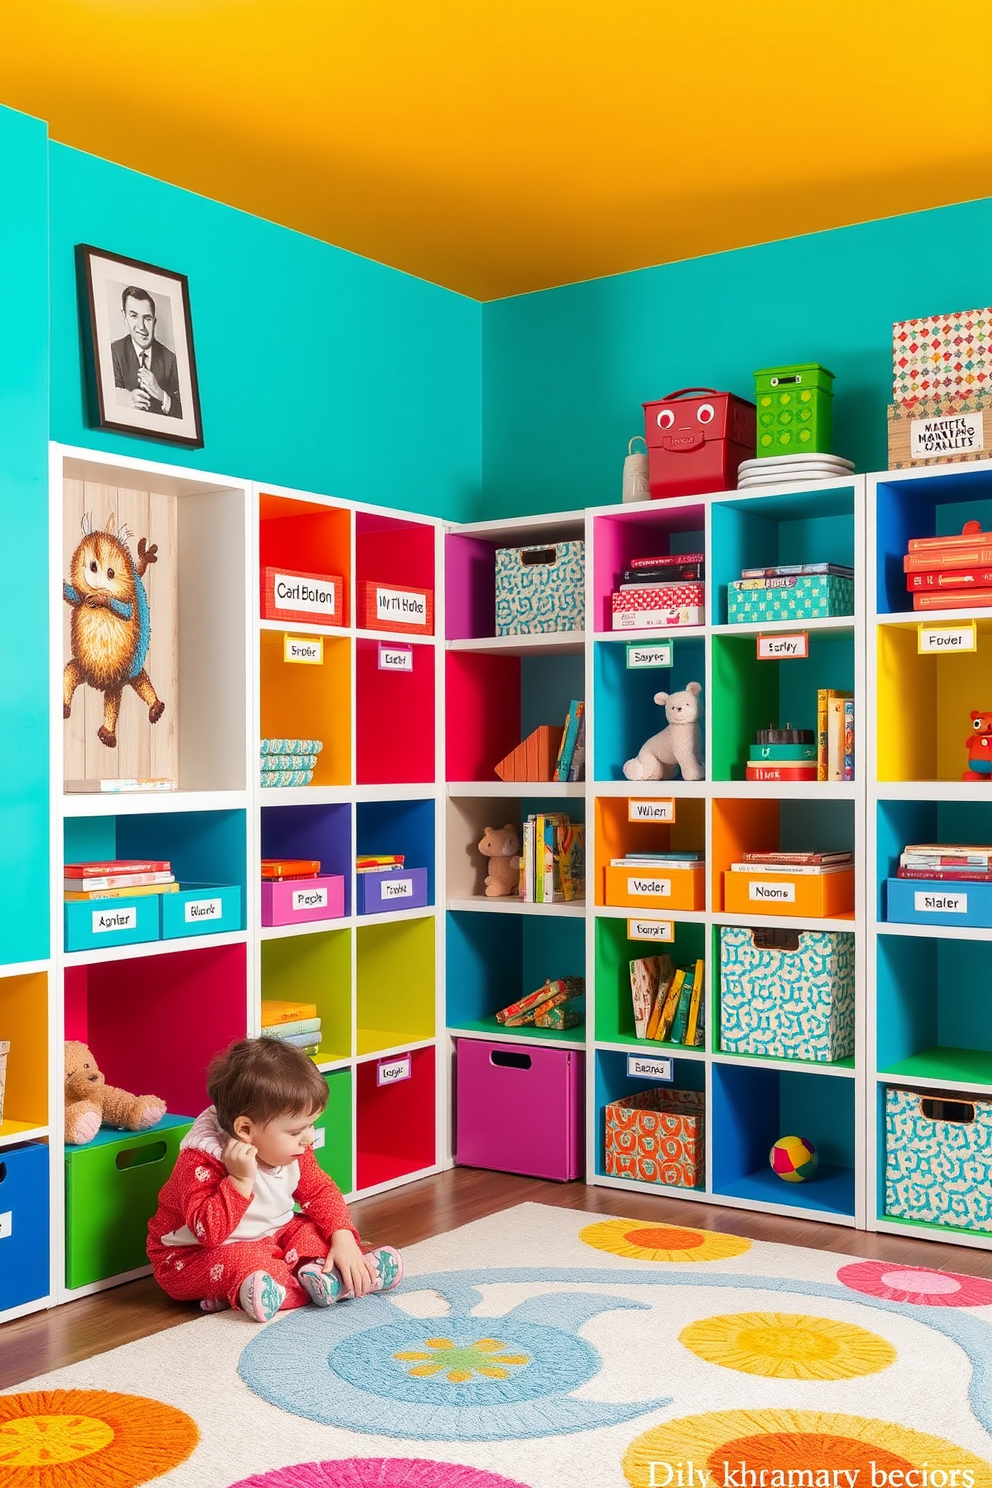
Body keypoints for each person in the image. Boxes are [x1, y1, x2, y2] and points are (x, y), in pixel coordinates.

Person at [147, 1037, 403, 1321]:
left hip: (271, 1235)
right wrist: (239, 1181)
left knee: (310, 1230)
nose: (308, 1138)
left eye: (311, 1125)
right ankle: (331, 1282)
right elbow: (210, 1234)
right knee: (244, 1262)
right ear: (245, 1129)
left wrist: (343, 1240)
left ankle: (340, 1269)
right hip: (193, 1257)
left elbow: (319, 1192)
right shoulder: (200, 1160)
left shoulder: (295, 1150)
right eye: (296, 1131)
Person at [111, 284, 182, 418]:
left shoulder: (171, 360)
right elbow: (104, 397)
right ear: (124, 317)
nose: (141, 327)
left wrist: (161, 395)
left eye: (147, 318)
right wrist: (127, 400)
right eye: (134, 316)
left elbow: (186, 415)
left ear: (154, 321)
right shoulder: (113, 352)